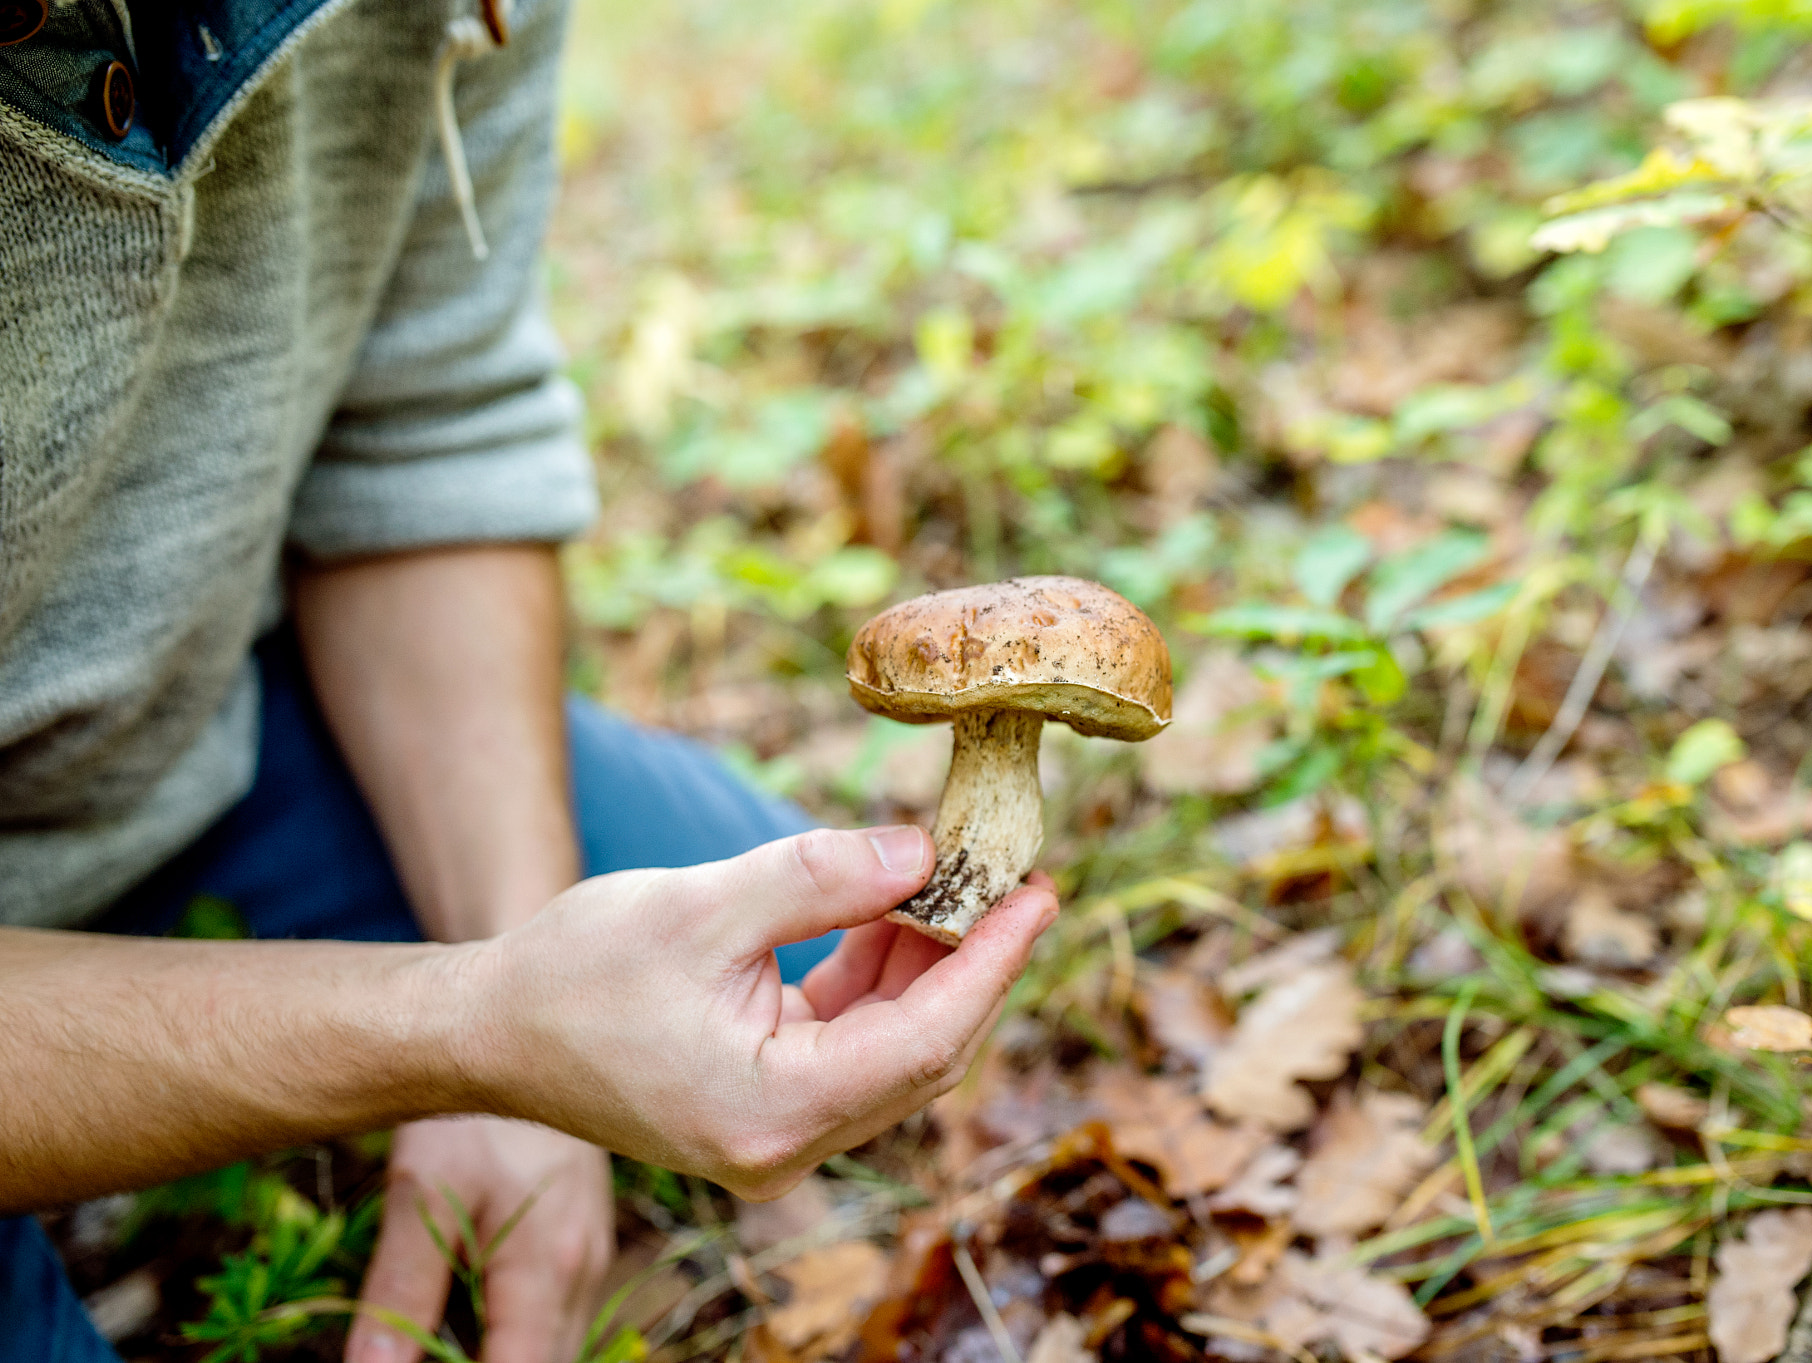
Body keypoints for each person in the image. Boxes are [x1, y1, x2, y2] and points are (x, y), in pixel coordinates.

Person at [0, 0, 1058, 1358]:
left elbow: (423, 419)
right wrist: (466, 1029)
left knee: (804, 970)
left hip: (186, 732)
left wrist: (518, 967)